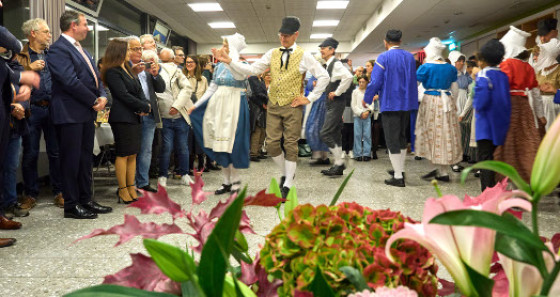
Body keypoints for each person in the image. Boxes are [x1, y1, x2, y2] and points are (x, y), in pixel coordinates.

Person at [212, 17, 329, 198]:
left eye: (287, 35)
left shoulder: (304, 55)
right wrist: (229, 61)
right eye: (281, 35)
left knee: (290, 143)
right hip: (273, 104)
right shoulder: (272, 53)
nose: (283, 38)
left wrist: (309, 98)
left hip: (292, 105)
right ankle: (287, 172)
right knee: (272, 145)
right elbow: (251, 71)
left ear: (296, 34)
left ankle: (288, 182)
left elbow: (324, 77)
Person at [47, 10, 112, 219]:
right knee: (71, 160)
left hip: (85, 112)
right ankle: (71, 205)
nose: (88, 28)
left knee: (85, 159)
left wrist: (102, 95)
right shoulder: (58, 49)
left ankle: (86, 199)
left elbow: (95, 77)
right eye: (85, 24)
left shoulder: (81, 49)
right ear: (73, 25)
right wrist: (93, 100)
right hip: (69, 113)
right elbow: (69, 81)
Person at [189, 33, 250, 195]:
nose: (223, 48)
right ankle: (226, 181)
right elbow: (213, 87)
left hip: (235, 104)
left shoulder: (241, 64)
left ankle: (235, 181)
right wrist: (197, 105)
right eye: (223, 45)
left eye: (227, 46)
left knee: (232, 145)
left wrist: (227, 61)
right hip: (219, 105)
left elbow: (239, 76)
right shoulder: (220, 66)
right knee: (221, 145)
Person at [13, 18, 63, 211]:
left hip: (53, 109)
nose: (50, 35)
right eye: (46, 31)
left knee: (56, 152)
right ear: (33, 33)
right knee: (31, 153)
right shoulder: (20, 55)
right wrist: (28, 69)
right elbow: (9, 77)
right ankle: (30, 194)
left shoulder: (53, 55)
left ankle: (59, 191)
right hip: (32, 109)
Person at [364, 29, 418, 187]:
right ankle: (399, 170)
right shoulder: (409, 57)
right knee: (401, 138)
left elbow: (375, 81)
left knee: (392, 140)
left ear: (385, 41)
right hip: (407, 103)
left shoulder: (383, 57)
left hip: (390, 103)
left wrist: (367, 98)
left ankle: (398, 176)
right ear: (400, 41)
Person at [102, 38, 151, 203]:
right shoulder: (113, 71)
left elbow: (137, 90)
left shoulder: (129, 69)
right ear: (119, 51)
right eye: (128, 50)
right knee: (123, 153)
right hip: (121, 117)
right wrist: (143, 106)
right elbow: (123, 95)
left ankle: (131, 187)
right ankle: (122, 190)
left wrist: (145, 105)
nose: (131, 53)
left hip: (133, 115)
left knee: (133, 154)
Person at [495, 26, 543, 183]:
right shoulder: (528, 67)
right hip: (525, 107)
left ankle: (507, 183)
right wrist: (540, 115)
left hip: (509, 107)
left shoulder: (505, 65)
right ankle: (526, 181)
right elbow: (536, 93)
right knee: (526, 143)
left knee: (508, 144)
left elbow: (501, 89)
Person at [415, 37, 462, 182]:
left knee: (431, 133)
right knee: (445, 134)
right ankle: (442, 170)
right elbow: (455, 89)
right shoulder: (450, 68)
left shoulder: (426, 67)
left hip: (430, 101)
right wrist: (450, 100)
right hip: (446, 101)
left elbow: (416, 85)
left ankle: (439, 170)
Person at [473, 39, 510, 191]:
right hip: (500, 125)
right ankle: (496, 191)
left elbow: (480, 103)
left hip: (485, 127)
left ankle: (486, 194)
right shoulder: (503, 76)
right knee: (496, 161)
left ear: (483, 59)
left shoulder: (483, 76)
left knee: (485, 161)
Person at [156, 48, 194, 188]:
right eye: (162, 60)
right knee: (166, 147)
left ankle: (184, 174)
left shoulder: (177, 72)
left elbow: (187, 89)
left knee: (183, 147)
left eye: (166, 60)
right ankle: (162, 175)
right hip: (163, 117)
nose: (164, 63)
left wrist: (177, 106)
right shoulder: (153, 72)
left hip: (180, 117)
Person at [317, 38, 354, 176]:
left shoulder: (336, 64)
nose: (321, 50)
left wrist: (337, 92)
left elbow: (349, 77)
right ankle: (338, 166)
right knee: (335, 134)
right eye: (321, 48)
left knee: (325, 133)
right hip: (332, 103)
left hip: (337, 103)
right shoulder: (329, 65)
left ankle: (339, 162)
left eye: (324, 48)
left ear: (332, 50)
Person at [133, 48, 165, 193]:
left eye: (152, 62)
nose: (149, 64)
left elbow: (161, 88)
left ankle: (143, 182)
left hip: (150, 115)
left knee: (146, 150)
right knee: (133, 150)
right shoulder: (132, 71)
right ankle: (130, 183)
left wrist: (155, 75)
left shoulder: (150, 74)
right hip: (135, 114)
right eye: (147, 62)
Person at [448, 50, 473, 172]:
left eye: (463, 61)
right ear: (453, 61)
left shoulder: (465, 76)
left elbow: (471, 90)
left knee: (463, 133)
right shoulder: (449, 76)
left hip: (465, 105)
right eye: (459, 61)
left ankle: (461, 156)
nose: (461, 63)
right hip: (454, 105)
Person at [183, 55, 209, 172]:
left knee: (198, 139)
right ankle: (187, 166)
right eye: (187, 62)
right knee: (187, 140)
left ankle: (201, 165)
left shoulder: (203, 80)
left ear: (196, 64)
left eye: (191, 62)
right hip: (185, 112)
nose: (189, 64)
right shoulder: (181, 78)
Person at [534, 19, 560, 132]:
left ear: (555, 33)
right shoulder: (539, 69)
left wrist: (554, 90)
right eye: (540, 36)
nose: (542, 39)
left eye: (545, 35)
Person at [247, 70, 268, 162]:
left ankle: (258, 152)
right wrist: (262, 103)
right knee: (257, 130)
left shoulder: (261, 80)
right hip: (256, 107)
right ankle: (253, 153)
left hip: (263, 107)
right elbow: (252, 95)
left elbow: (264, 93)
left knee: (263, 130)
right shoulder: (252, 79)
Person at [351, 75, 374, 161]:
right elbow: (354, 105)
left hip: (367, 116)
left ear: (367, 82)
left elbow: (371, 104)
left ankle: (367, 153)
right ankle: (357, 154)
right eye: (359, 82)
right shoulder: (355, 92)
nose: (361, 83)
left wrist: (368, 111)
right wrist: (360, 113)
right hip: (357, 116)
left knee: (367, 135)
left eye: (363, 82)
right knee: (357, 135)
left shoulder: (369, 92)